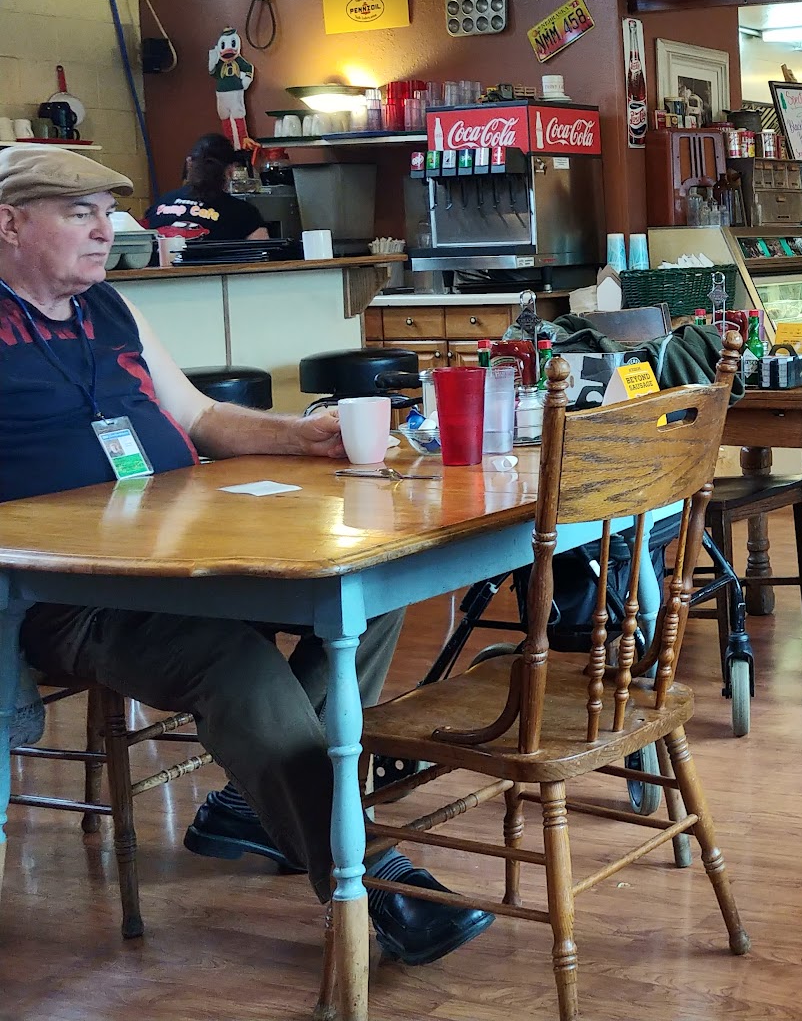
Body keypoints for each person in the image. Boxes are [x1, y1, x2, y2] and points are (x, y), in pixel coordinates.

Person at [0, 146, 490, 965]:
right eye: (79, 214)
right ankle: (369, 879)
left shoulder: (112, 306)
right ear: (10, 224)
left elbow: (196, 416)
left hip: (185, 548)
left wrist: (301, 437)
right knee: (234, 668)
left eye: (106, 213)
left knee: (374, 583)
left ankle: (249, 800)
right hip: (72, 589)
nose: (106, 230)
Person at [144, 132, 269, 241]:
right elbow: (263, 255)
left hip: (161, 261)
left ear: (189, 164)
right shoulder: (245, 214)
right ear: (230, 171)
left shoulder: (158, 204)